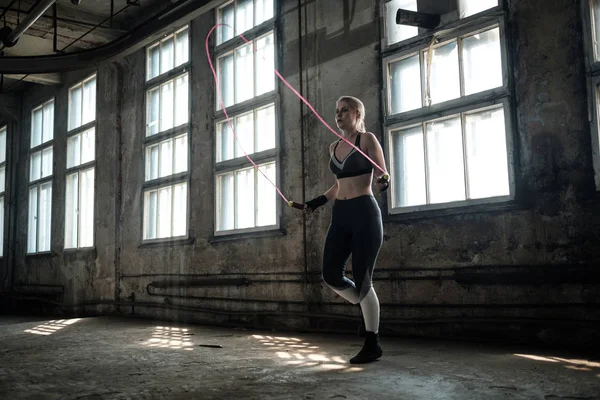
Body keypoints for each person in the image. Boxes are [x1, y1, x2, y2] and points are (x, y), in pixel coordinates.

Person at [304, 95, 389, 364]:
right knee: (330, 274)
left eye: (344, 110)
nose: (339, 115)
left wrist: (384, 181)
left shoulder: (367, 140)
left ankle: (372, 342)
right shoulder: (333, 147)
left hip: (364, 212)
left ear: (357, 113)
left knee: (364, 281)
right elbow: (339, 184)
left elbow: (381, 173)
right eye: (337, 111)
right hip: (340, 215)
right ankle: (366, 307)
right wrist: (318, 201)